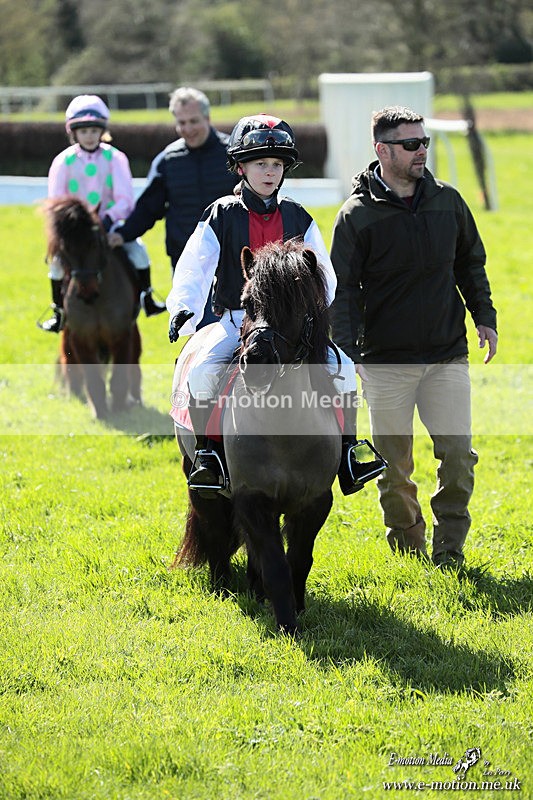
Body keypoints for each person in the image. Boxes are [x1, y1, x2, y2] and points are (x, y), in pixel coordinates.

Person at [166, 114, 386, 494]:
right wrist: (183, 308)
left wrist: (319, 313)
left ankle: (349, 452)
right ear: (240, 167)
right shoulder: (222, 213)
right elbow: (195, 265)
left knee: (344, 368)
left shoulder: (298, 214)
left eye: (277, 165)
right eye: (260, 164)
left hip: (291, 324)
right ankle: (209, 456)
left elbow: (325, 274)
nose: (269, 172)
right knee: (201, 372)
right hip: (237, 321)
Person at [330, 105, 498, 569]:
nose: (421, 150)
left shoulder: (448, 201)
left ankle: (450, 552)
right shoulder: (355, 217)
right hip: (385, 363)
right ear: (382, 150)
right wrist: (347, 352)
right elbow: (340, 290)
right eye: (410, 144)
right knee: (394, 468)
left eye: (423, 142)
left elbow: (470, 263)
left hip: (447, 356)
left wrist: (484, 316)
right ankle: (409, 550)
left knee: (459, 460)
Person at [107, 87, 238, 328]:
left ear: (208, 118)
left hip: (232, 255)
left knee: (232, 327)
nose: (188, 129)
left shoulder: (233, 153)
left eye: (194, 121)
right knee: (197, 328)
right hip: (187, 258)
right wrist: (123, 234)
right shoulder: (168, 160)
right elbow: (148, 209)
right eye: (181, 123)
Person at [41, 94, 165, 333]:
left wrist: (105, 219)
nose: (89, 135)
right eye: (83, 131)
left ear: (102, 131)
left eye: (93, 130)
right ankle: (58, 311)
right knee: (56, 265)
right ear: (73, 133)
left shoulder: (116, 158)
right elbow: (56, 202)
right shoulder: (62, 162)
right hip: (75, 233)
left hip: (108, 226)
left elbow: (125, 200)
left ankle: (147, 298)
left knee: (139, 253)